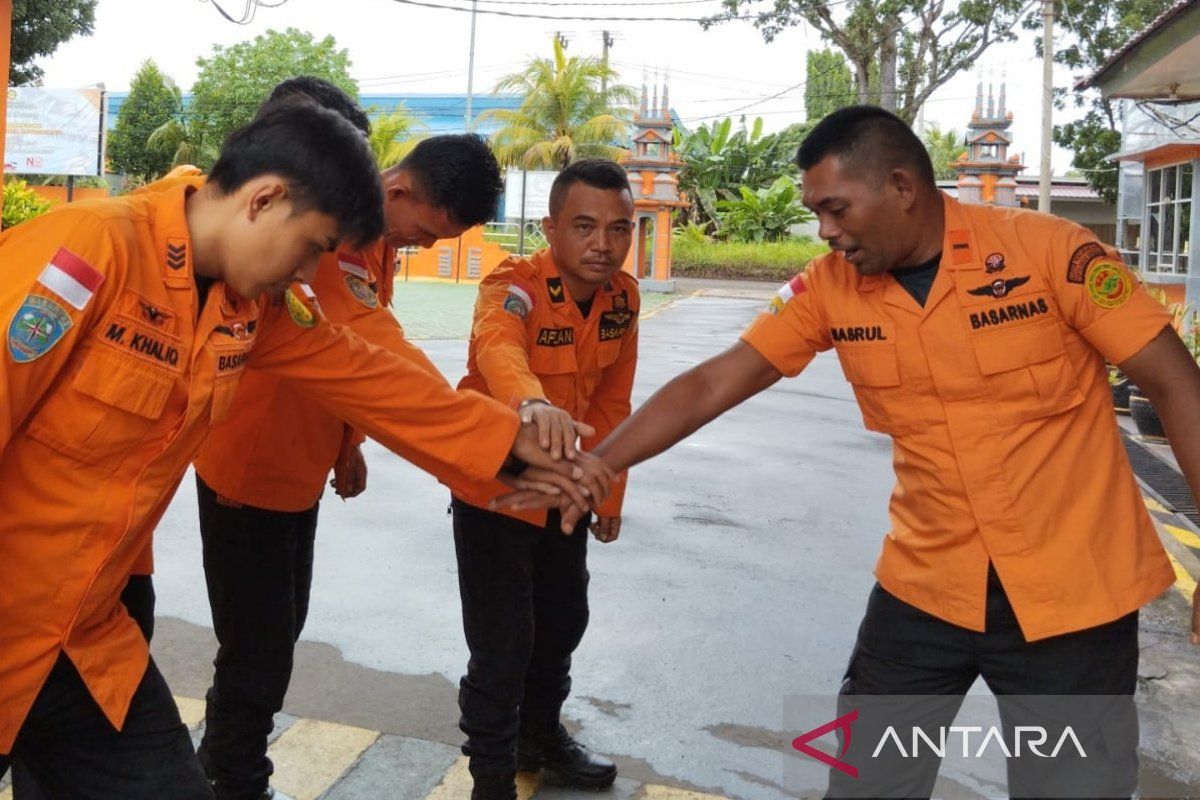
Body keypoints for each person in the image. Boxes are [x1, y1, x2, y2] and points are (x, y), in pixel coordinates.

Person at [500, 106, 1200, 797]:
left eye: (836, 208)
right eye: (816, 212)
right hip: (927, 591)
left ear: (901, 186)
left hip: (1074, 601)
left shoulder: (1049, 253)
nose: (825, 231)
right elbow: (716, 380)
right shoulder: (831, 287)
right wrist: (600, 464)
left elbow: (1176, 385)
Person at [0, 100, 603, 799]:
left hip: (80, 640)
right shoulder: (86, 250)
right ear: (264, 200)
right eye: (314, 246)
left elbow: (371, 375)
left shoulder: (250, 305)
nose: (312, 271)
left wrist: (518, 451)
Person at [191, 130, 507, 800]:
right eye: (426, 231)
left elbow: (342, 362)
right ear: (397, 191)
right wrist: (500, 450)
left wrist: (347, 443)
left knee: (265, 642)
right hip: (251, 469)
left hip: (296, 468)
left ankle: (213, 761)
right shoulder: (330, 240)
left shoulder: (373, 244)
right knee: (260, 653)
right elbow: (375, 354)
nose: (425, 247)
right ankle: (238, 783)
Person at [452, 158, 639, 800]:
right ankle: (492, 777)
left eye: (620, 229)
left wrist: (610, 489)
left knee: (562, 622)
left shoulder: (623, 298)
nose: (603, 244)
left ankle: (540, 738)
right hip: (496, 488)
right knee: (503, 645)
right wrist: (531, 401)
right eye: (585, 226)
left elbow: (615, 402)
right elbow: (497, 345)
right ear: (550, 227)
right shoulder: (515, 284)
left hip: (570, 492)